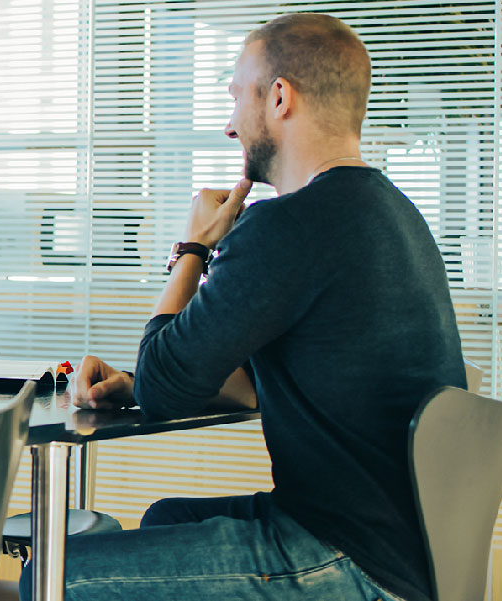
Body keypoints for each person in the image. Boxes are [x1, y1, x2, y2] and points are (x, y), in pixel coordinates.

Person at [25, 13, 462, 601]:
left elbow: (164, 386)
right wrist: (133, 383)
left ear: (279, 97)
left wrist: (194, 248)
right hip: (404, 550)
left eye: (236, 98)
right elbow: (252, 387)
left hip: (346, 558)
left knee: (54, 574)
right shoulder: (394, 215)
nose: (230, 126)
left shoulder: (288, 225)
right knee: (165, 518)